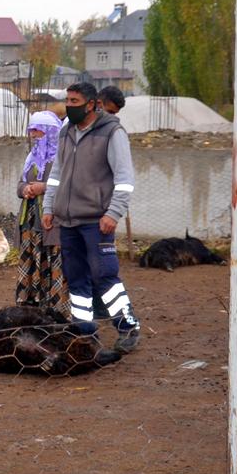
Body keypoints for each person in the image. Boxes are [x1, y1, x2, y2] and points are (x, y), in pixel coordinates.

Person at [41, 83, 141, 353]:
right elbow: (56, 174)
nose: (68, 105)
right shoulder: (65, 131)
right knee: (76, 279)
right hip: (68, 221)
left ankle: (128, 326)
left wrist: (113, 213)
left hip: (97, 221)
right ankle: (85, 331)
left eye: (74, 100)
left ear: (91, 104)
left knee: (104, 276)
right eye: (67, 99)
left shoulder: (112, 133)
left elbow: (124, 179)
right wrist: (49, 207)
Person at [14, 110, 68, 317]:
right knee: (31, 261)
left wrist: (42, 187)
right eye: (32, 130)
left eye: (38, 131)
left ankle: (55, 310)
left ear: (50, 132)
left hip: (51, 220)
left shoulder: (61, 159)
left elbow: (66, 185)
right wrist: (25, 189)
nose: (33, 135)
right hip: (30, 220)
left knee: (53, 262)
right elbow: (20, 183)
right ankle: (31, 308)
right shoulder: (32, 157)